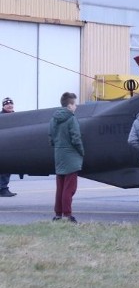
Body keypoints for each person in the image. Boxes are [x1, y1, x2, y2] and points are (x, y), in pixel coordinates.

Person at [49, 92, 84, 223]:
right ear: (70, 105)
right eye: (75, 104)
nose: (76, 106)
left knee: (60, 187)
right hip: (71, 156)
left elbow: (50, 137)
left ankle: (58, 214)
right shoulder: (71, 119)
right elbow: (76, 138)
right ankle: (68, 214)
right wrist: (81, 151)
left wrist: (57, 147)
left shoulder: (54, 119)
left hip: (59, 155)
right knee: (70, 188)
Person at [0, 97, 17, 197]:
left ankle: (3, 188)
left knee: (7, 169)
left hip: (12, 147)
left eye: (11, 103)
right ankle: (3, 189)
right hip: (4, 147)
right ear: (3, 106)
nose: (9, 105)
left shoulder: (16, 116)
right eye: (7, 104)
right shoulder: (2, 117)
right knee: (5, 169)